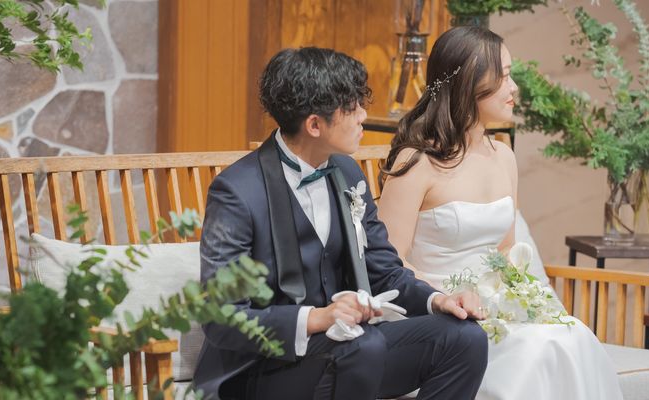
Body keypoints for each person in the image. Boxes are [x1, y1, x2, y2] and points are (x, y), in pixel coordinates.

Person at [192, 47, 489, 400]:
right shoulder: (237, 192)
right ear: (314, 125)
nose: (364, 116)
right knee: (364, 347)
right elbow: (221, 316)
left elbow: (384, 271)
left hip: (351, 352)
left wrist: (438, 300)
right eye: (352, 107)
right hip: (261, 369)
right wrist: (317, 318)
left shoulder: (347, 173)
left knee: (465, 338)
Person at [377, 26, 623, 400]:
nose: (514, 88)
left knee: (572, 334)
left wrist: (519, 297)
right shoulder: (417, 162)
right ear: (470, 84)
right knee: (540, 348)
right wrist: (448, 297)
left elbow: (506, 249)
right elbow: (388, 262)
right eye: (504, 77)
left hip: (495, 308)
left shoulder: (504, 157)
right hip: (438, 313)